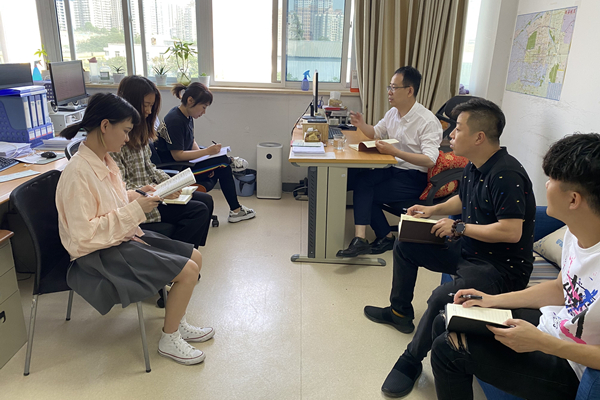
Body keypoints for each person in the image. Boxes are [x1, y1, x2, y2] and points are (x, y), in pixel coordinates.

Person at [363, 98, 537, 397]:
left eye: (458, 128)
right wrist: (432, 210)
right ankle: (400, 312)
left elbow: (511, 232)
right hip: (469, 249)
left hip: (499, 268)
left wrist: (460, 227)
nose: (451, 134)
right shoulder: (475, 165)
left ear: (479, 137)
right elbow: (463, 199)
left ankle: (410, 360)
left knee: (440, 296)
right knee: (405, 243)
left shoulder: (506, 175)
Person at [430, 133, 600, 400]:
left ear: (573, 200)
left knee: (448, 349)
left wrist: (543, 343)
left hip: (572, 364)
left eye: (552, 180)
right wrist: (492, 300)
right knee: (449, 317)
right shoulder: (575, 232)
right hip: (552, 327)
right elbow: (560, 289)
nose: (546, 184)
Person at [58, 93, 214, 365]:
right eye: (126, 131)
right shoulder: (77, 173)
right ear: (105, 126)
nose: (127, 138)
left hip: (118, 238)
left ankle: (177, 322)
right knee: (188, 271)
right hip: (96, 254)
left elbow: (111, 202)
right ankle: (169, 339)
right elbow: (83, 237)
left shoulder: (104, 160)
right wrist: (136, 208)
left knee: (195, 257)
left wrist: (138, 194)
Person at [337, 66, 443, 257]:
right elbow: (375, 132)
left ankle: (379, 238)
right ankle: (371, 238)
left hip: (414, 176)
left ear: (409, 91)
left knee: (367, 192)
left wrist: (395, 152)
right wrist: (362, 124)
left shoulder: (427, 121)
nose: (389, 92)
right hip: (393, 169)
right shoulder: (393, 113)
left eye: (394, 87)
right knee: (361, 180)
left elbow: (429, 160)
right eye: (389, 87)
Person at [111, 75, 214, 249]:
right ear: (130, 103)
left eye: (151, 106)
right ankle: (177, 257)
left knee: (207, 201)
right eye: (146, 105)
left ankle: (189, 251)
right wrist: (161, 192)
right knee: (198, 211)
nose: (149, 111)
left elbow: (150, 168)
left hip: (153, 192)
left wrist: (170, 184)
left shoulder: (140, 132)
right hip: (142, 202)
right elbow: (121, 189)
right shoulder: (117, 141)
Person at [154, 82, 256, 223]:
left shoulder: (186, 115)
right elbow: (177, 155)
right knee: (223, 162)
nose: (204, 112)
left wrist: (206, 160)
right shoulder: (175, 120)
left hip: (186, 164)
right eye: (203, 107)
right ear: (190, 101)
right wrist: (207, 152)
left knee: (221, 164)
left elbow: (191, 141)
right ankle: (232, 162)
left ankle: (236, 210)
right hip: (176, 171)